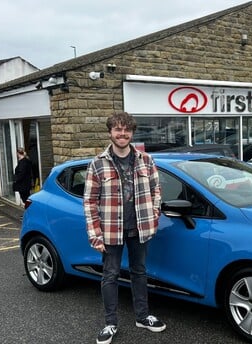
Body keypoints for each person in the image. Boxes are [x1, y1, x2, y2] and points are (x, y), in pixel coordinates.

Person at [83, 112, 165, 344]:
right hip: (111, 231)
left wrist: (154, 215)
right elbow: (89, 201)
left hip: (140, 229)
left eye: (126, 129)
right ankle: (110, 323)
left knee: (140, 272)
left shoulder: (146, 160)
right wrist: (95, 234)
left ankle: (142, 316)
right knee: (110, 275)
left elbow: (156, 190)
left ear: (132, 132)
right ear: (110, 132)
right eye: (118, 129)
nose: (122, 133)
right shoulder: (98, 163)